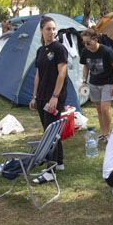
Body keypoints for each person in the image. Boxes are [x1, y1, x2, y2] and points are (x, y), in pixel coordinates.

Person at [29, 16, 69, 183]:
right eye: (48, 29)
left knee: (49, 133)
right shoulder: (40, 51)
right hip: (42, 97)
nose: (52, 32)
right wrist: (34, 96)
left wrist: (55, 97)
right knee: (50, 129)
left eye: (54, 29)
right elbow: (38, 75)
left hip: (54, 97)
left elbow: (62, 73)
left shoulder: (59, 48)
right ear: (41, 30)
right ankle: (58, 162)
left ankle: (49, 171)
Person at [80, 29, 113, 139]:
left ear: (95, 39)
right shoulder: (85, 51)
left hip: (108, 82)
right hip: (93, 83)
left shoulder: (107, 51)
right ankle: (102, 132)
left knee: (105, 109)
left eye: (88, 42)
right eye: (84, 43)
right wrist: (84, 81)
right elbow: (86, 66)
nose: (86, 45)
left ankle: (107, 133)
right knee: (98, 109)